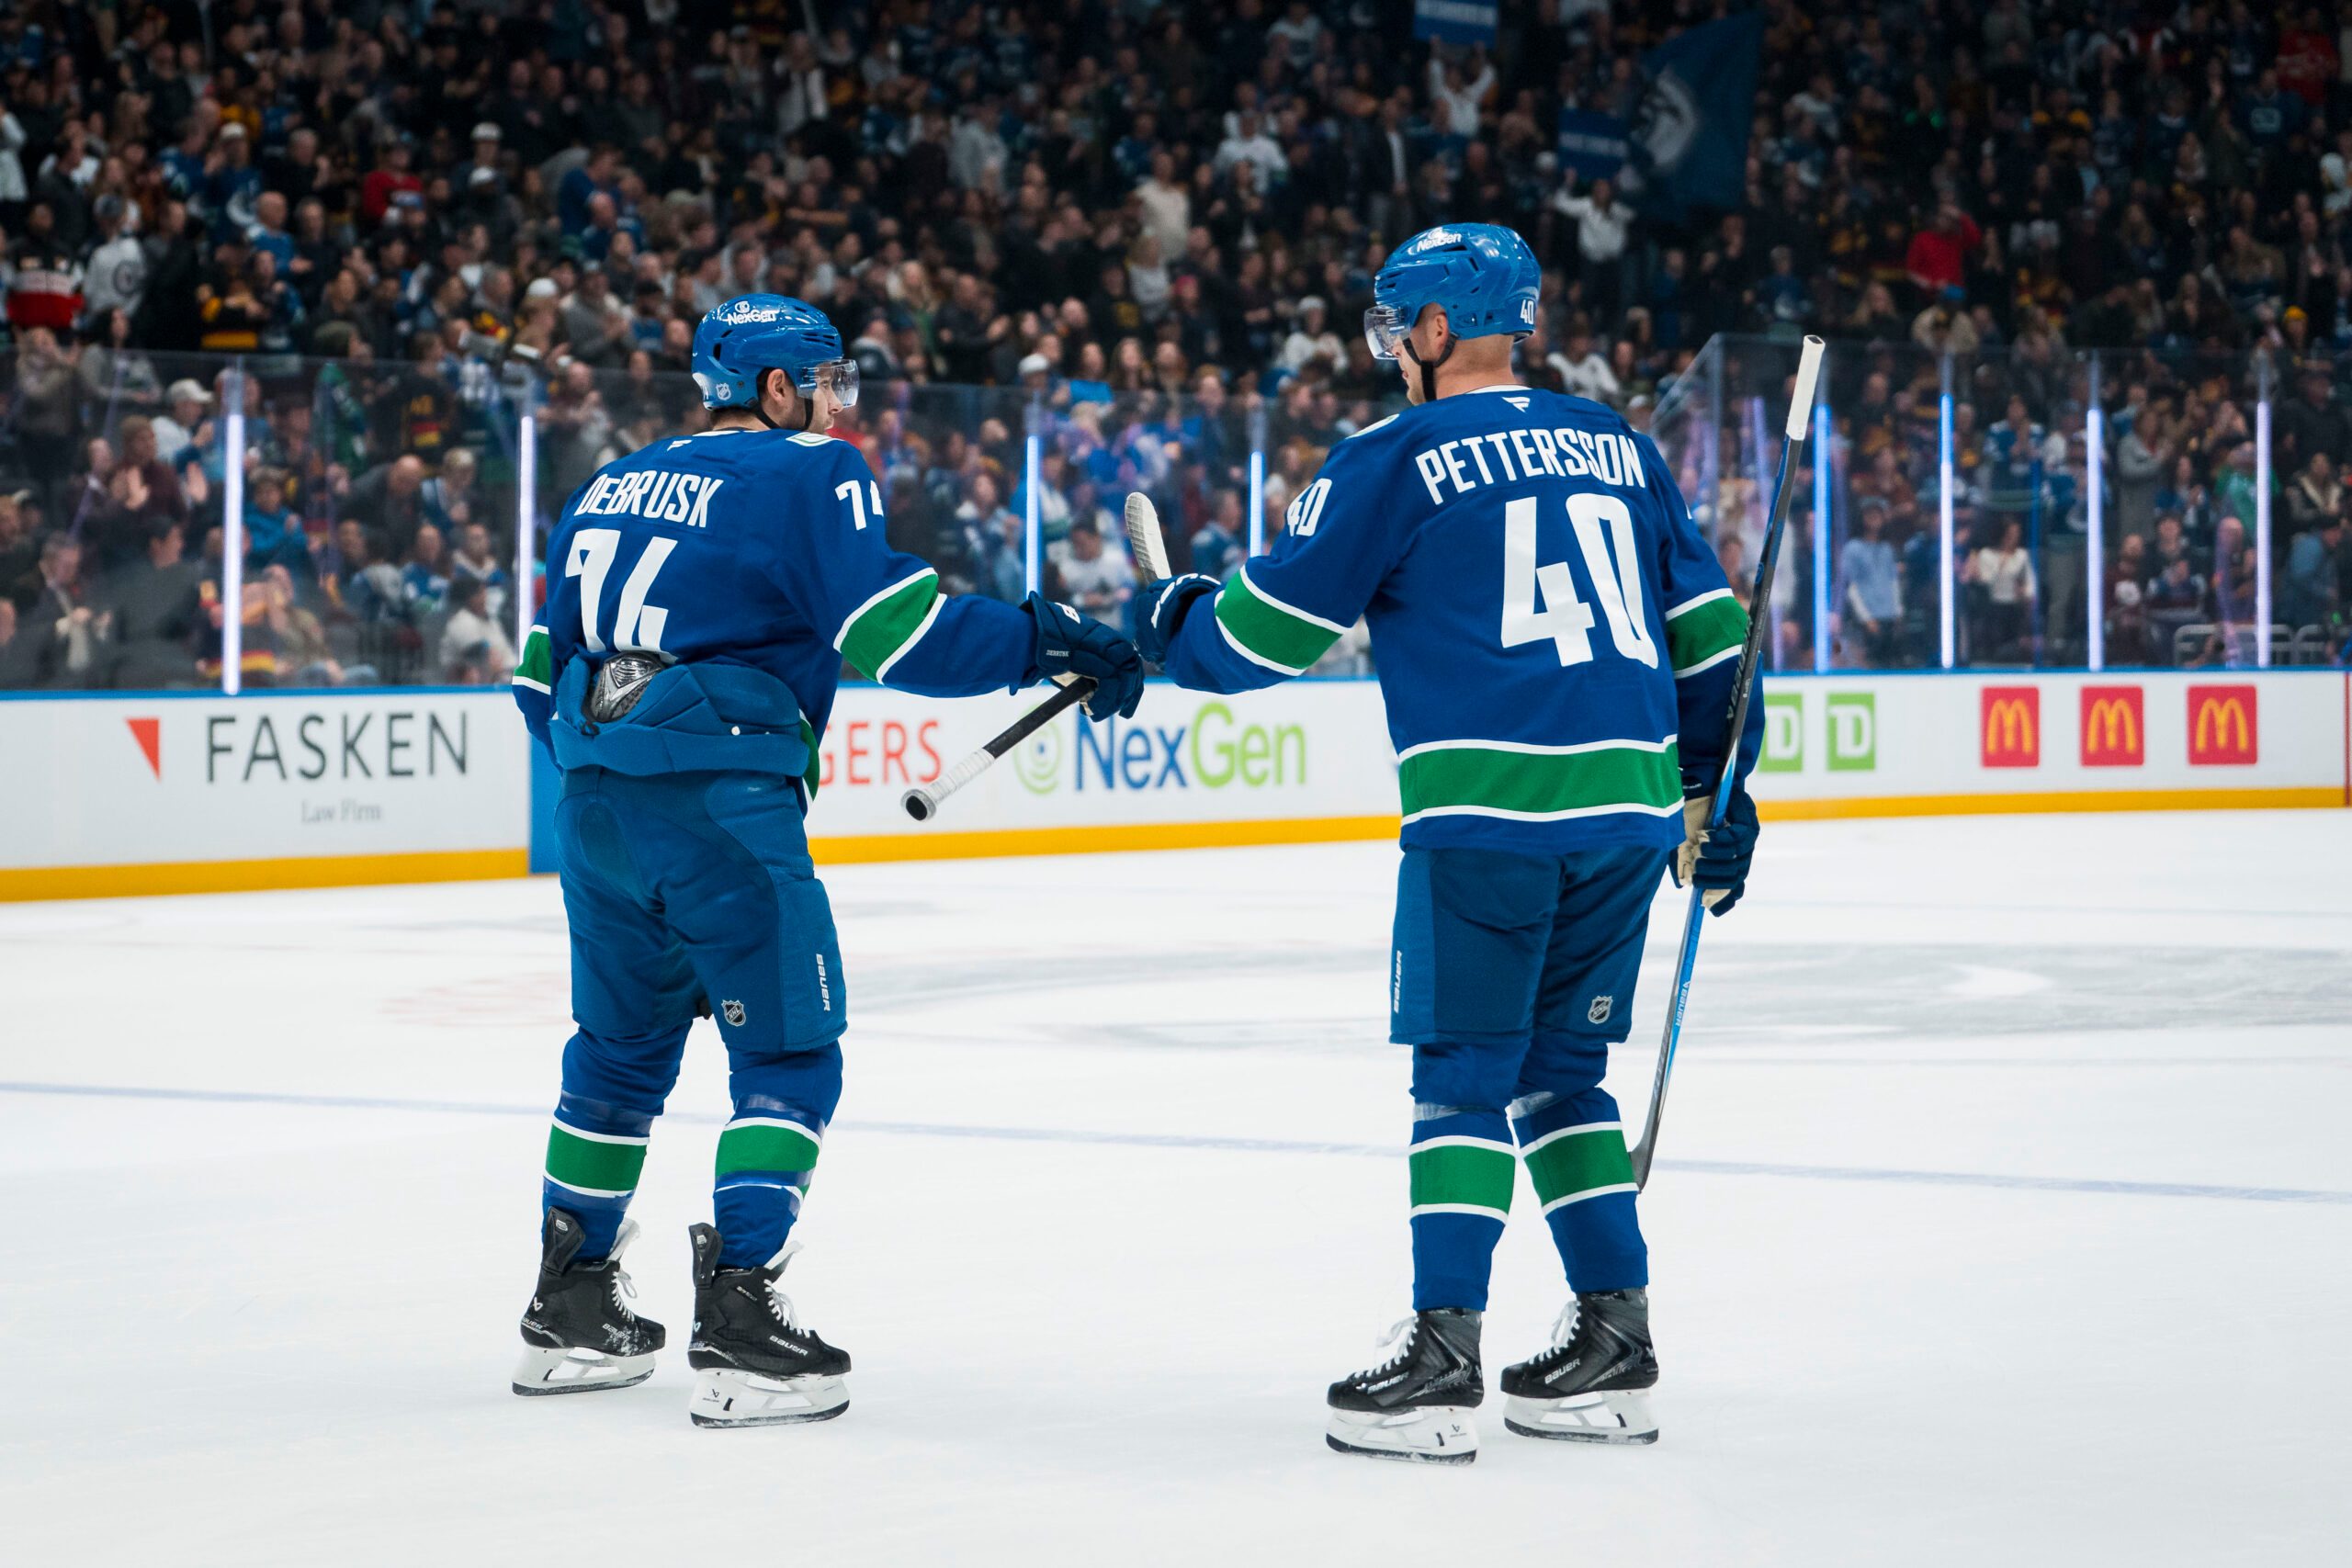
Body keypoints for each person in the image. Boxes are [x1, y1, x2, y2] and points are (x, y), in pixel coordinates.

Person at [1133, 226, 1760, 1462]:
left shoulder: (1395, 453)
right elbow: (1717, 639)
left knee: (1462, 1077)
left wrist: (1171, 619)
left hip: (1489, 816)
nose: (1387, 350)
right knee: (1561, 1074)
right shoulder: (1623, 449)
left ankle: (1443, 1354)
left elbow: (1256, 642)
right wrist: (1718, 787)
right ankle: (1613, 1344)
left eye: (1393, 326)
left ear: (1431, 331)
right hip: (1629, 814)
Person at [506, 295, 1143, 1425]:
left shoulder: (606, 482)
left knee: (616, 1050)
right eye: (822, 379)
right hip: (722, 805)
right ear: (775, 388)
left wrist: (619, 770)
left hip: (592, 806)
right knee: (793, 1056)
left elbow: (531, 678)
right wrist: (1052, 637)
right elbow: (900, 637)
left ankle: (569, 1309)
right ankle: (742, 1320)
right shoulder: (812, 469)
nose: (835, 399)